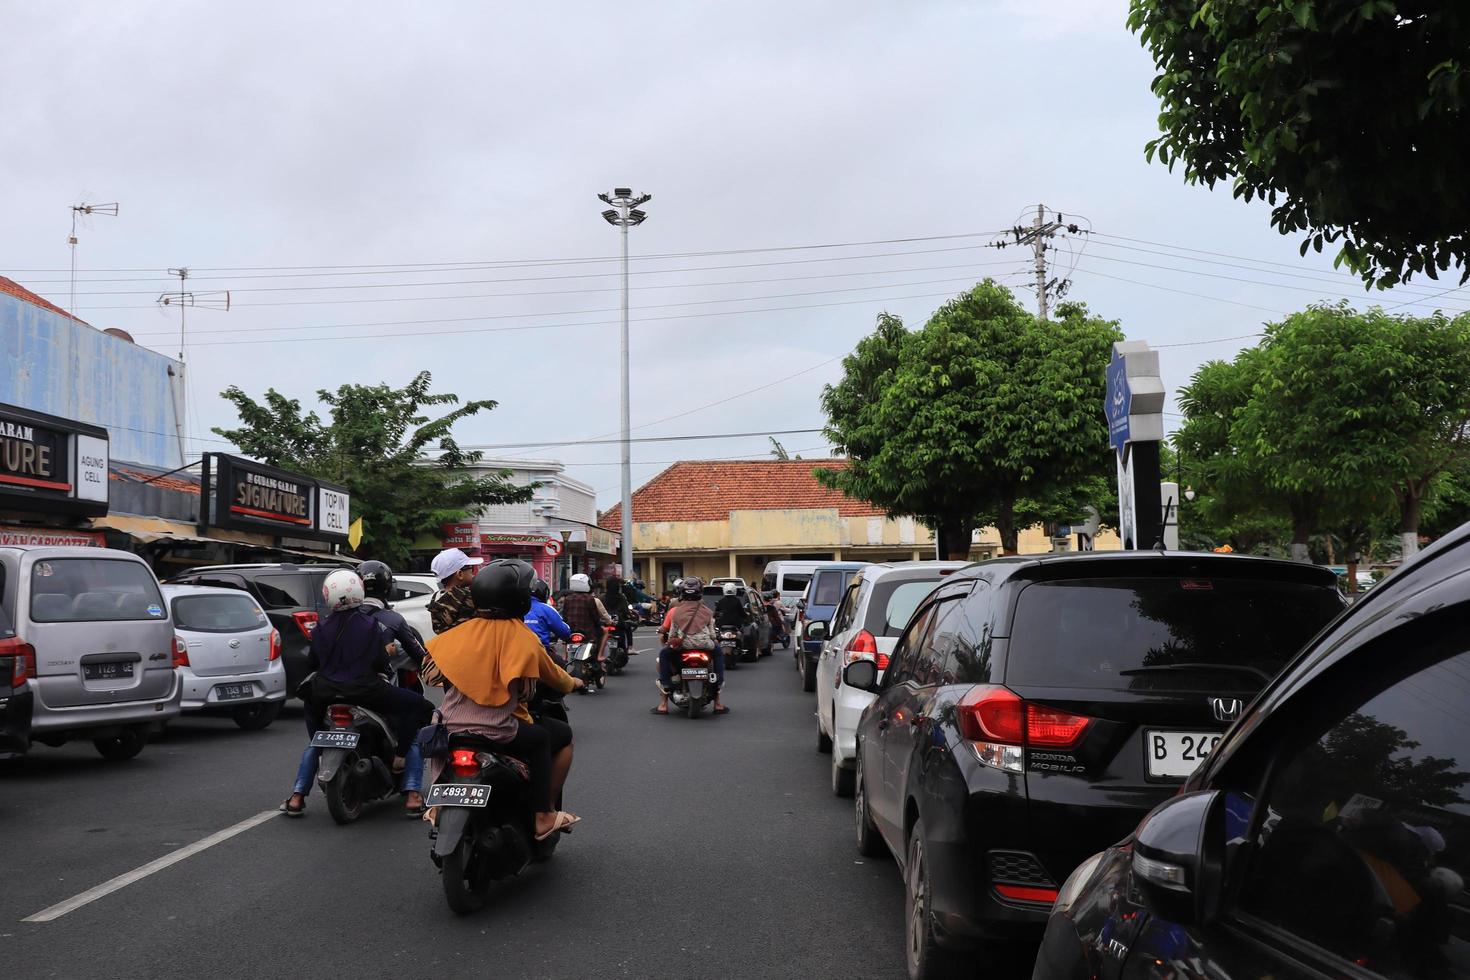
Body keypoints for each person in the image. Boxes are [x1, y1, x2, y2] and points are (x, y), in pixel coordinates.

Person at [426, 559, 584, 841]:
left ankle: (438, 805)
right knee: (553, 737)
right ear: (521, 598)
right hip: (498, 728)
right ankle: (543, 816)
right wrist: (574, 682)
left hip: (449, 724)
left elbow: (430, 673)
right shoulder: (524, 638)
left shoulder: (454, 635)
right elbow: (556, 679)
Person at [281, 570, 434, 818]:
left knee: (315, 733)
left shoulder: (320, 627)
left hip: (325, 693)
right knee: (420, 707)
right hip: (367, 691)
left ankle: (297, 796)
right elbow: (381, 662)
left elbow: (313, 664)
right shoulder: (372, 625)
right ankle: (402, 763)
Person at [652, 576, 727, 715]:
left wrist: (672, 641)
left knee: (663, 654)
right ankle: (719, 686)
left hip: (683, 646)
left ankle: (666, 686)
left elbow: (673, 633)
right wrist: (713, 640)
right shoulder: (707, 611)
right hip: (705, 645)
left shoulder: (675, 611)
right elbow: (712, 633)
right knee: (718, 654)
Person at [427, 547, 483, 635]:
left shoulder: (436, 597)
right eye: (471, 568)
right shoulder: (468, 596)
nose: (473, 572)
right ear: (460, 574)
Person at [559, 573, 613, 660]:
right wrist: (599, 625)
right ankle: (600, 655)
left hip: (571, 630)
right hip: (587, 631)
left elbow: (564, 616)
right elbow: (594, 617)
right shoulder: (590, 599)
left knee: (565, 638)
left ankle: (565, 656)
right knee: (605, 632)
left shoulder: (568, 598)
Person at [524, 578, 572, 655]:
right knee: (562, 665)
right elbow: (564, 632)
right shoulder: (546, 609)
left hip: (515, 653)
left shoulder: (515, 607)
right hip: (539, 652)